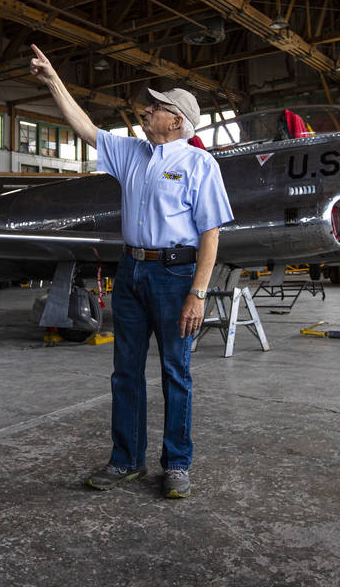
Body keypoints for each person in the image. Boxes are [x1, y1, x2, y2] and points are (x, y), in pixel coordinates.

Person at [30, 44, 233, 499]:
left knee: (175, 372)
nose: (146, 109)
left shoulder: (200, 164)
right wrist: (53, 80)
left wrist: (197, 294)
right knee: (125, 373)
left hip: (175, 277)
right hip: (132, 273)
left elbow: (210, 235)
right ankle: (126, 461)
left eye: (156, 107)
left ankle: (177, 463)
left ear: (176, 121)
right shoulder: (131, 154)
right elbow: (84, 127)